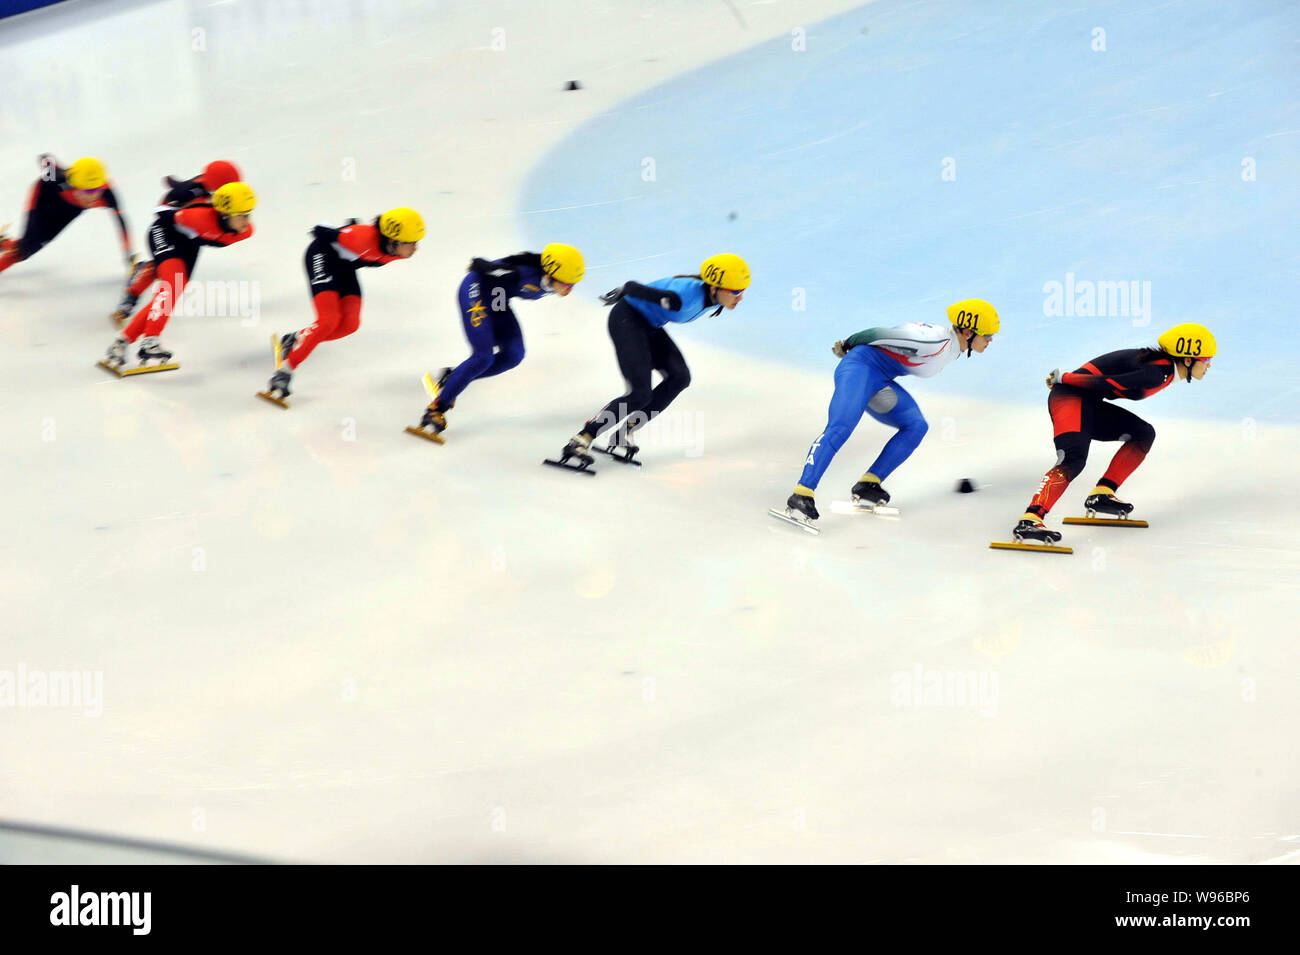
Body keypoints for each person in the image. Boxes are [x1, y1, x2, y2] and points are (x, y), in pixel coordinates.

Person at [775, 300, 999, 529]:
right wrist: (847, 344)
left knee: (916, 426)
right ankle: (802, 492)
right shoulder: (934, 342)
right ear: (968, 331)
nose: (990, 341)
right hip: (858, 368)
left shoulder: (953, 347)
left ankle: (868, 483)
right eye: (987, 335)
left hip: (879, 380)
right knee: (840, 427)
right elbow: (878, 333)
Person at [1013, 323, 1216, 544]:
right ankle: (1031, 518)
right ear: (1188, 358)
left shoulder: (1163, 369)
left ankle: (1102, 493)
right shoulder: (1157, 372)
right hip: (1070, 397)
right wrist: (1065, 377)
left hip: (1088, 401)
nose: (1208, 366)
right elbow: (1110, 382)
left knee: (1143, 434)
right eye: (1206, 360)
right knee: (1073, 459)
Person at [552, 253, 749, 468]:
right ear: (714, 287)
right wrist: (624, 292)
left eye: (742, 292)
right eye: (736, 292)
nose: (740, 298)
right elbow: (632, 286)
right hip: (627, 320)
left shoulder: (714, 297)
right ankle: (582, 439)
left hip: (650, 325)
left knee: (679, 378)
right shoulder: (681, 298)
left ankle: (625, 432)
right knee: (639, 394)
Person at [413, 243, 584, 438]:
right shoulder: (521, 273)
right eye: (567, 284)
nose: (569, 290)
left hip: (498, 299)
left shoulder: (550, 279)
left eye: (573, 285)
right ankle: (436, 409)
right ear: (550, 274)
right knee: (483, 357)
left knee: (513, 356)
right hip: (475, 290)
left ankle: (455, 377)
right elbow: (482, 267)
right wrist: (481, 265)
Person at [263, 208, 424, 402]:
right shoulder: (361, 239)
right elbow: (327, 231)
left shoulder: (396, 250)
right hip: (322, 256)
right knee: (328, 321)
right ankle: (284, 372)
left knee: (350, 325)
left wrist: (351, 225)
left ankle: (296, 338)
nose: (415, 249)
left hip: (346, 267)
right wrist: (334, 230)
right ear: (392, 240)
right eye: (411, 243)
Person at [102, 182, 256, 371]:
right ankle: (150, 341)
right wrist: (180, 195)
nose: (246, 222)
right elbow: (160, 211)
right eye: (241, 215)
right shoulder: (197, 216)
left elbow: (204, 237)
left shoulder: (246, 231)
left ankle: (121, 343)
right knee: (173, 285)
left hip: (189, 243)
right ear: (224, 213)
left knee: (168, 295)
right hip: (164, 232)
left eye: (248, 214)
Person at [111, 160, 243, 324]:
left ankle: (138, 285)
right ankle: (131, 298)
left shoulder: (209, 187)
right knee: (168, 271)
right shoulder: (191, 192)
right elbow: (165, 209)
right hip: (170, 227)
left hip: (191, 230)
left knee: (172, 275)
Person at [0, 155, 136, 279]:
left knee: (29, 249)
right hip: (44, 199)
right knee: (24, 249)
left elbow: (121, 223)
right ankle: (7, 244)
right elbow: (47, 160)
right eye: (88, 191)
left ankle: (4, 243)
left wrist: (129, 255)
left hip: (71, 209)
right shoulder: (58, 180)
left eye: (98, 190)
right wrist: (47, 163)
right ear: (74, 185)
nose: (94, 196)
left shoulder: (107, 194)